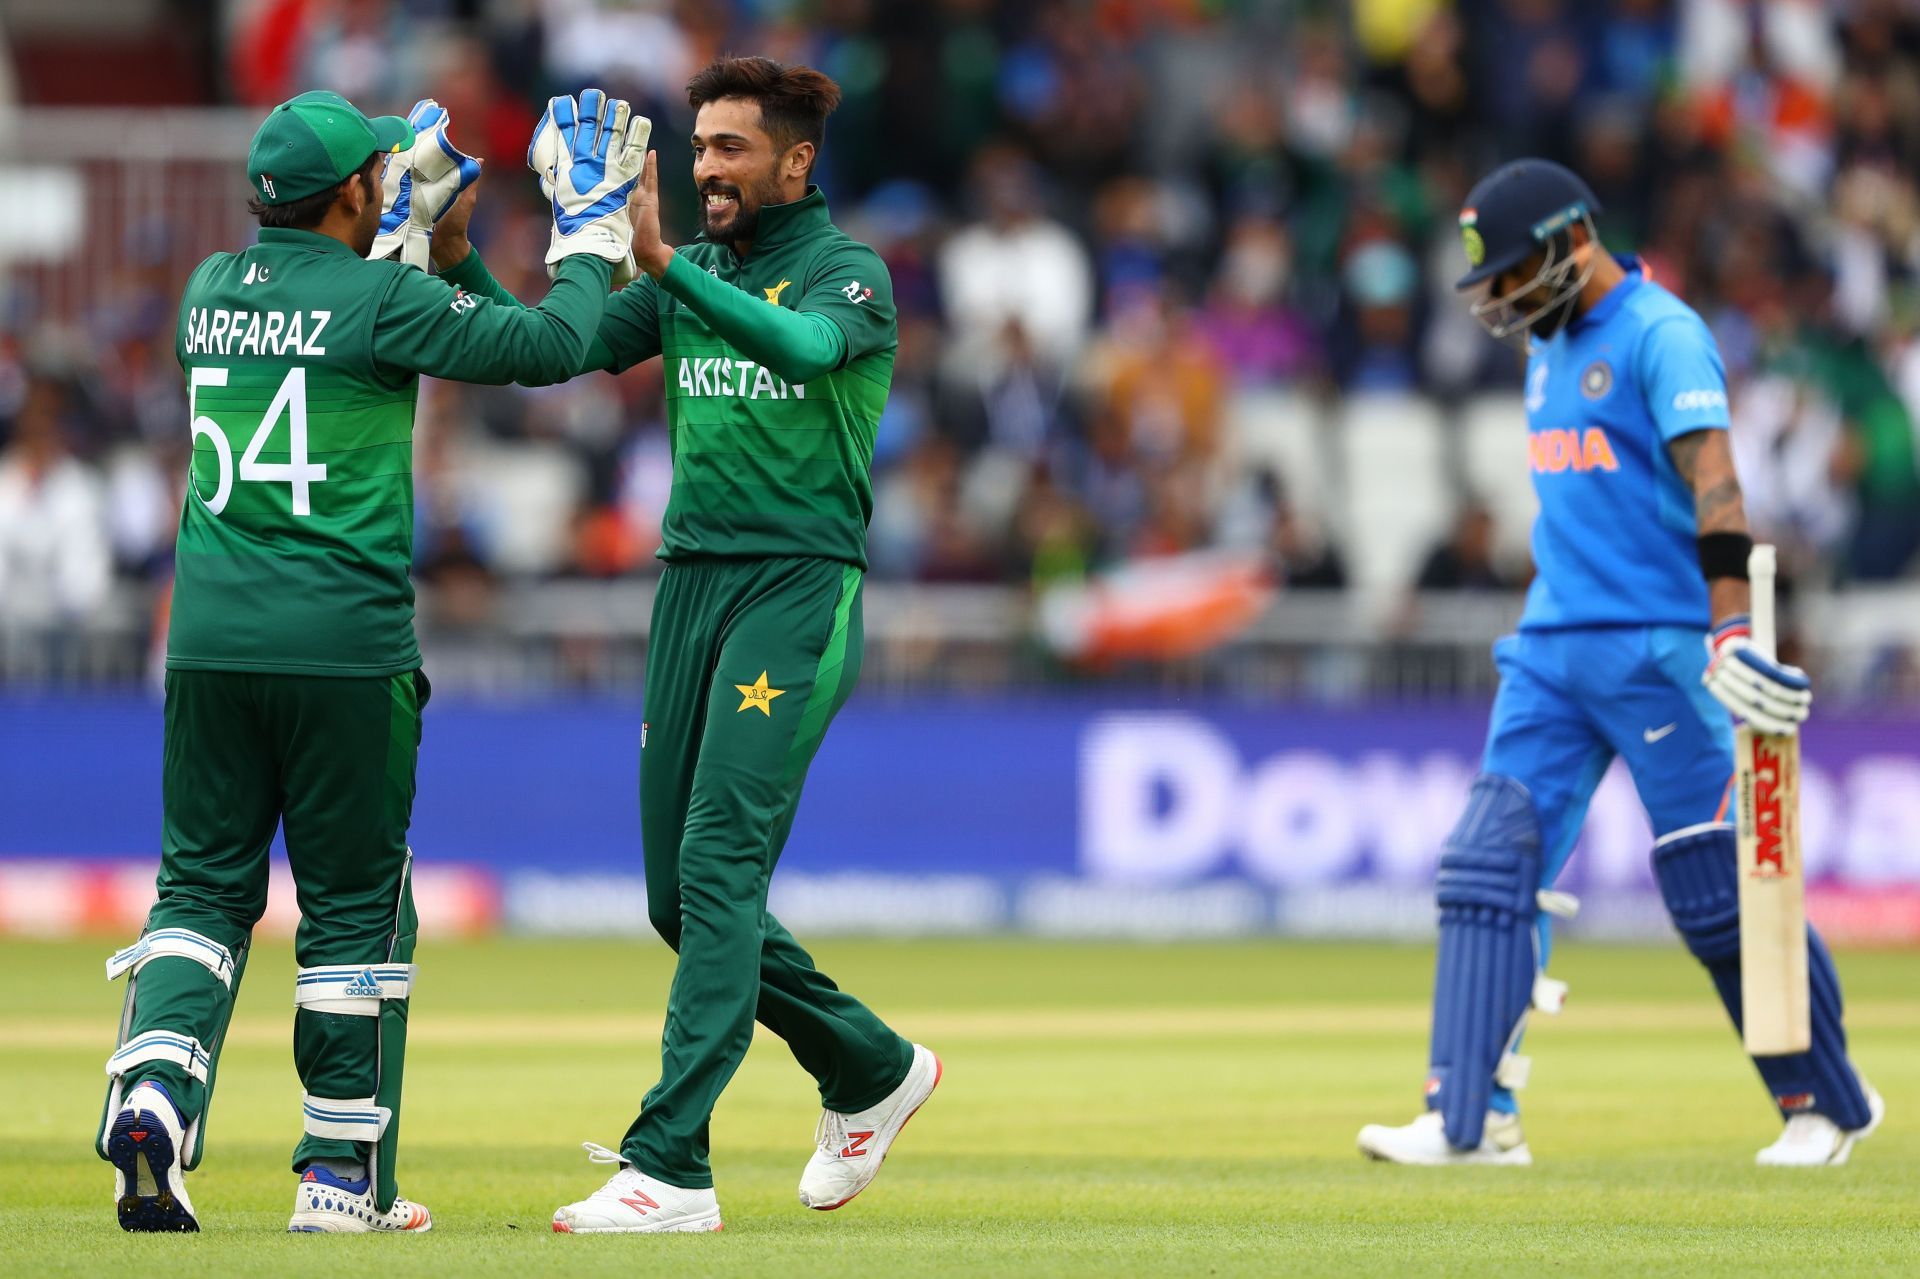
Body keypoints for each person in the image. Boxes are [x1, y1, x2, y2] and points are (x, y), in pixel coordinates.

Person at [99, 87, 643, 1233]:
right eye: (378, 173)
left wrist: (420, 232)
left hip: (204, 644)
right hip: (343, 649)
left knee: (199, 891)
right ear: (351, 191)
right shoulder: (383, 303)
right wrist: (588, 229)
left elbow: (333, 297)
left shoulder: (206, 292)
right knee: (354, 909)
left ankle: (153, 1087)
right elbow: (553, 346)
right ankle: (341, 1182)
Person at [432, 56, 941, 1235]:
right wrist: (456, 252)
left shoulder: (848, 274)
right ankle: (871, 1067)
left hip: (796, 593)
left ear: (796, 162)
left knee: (717, 870)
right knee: (678, 895)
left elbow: (807, 353)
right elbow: (547, 351)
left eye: (729, 150)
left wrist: (657, 261)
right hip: (690, 588)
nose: (703, 168)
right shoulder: (693, 270)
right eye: (698, 146)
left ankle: (672, 1167)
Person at [1356, 159, 1883, 1168]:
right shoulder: (1547, 349)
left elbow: (1718, 488)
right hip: (1552, 647)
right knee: (1487, 860)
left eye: (1513, 273)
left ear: (1568, 241)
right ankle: (1472, 1118)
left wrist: (1730, 629)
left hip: (1659, 646)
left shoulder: (1663, 333)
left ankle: (1826, 1103)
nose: (1503, 299)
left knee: (1717, 885)